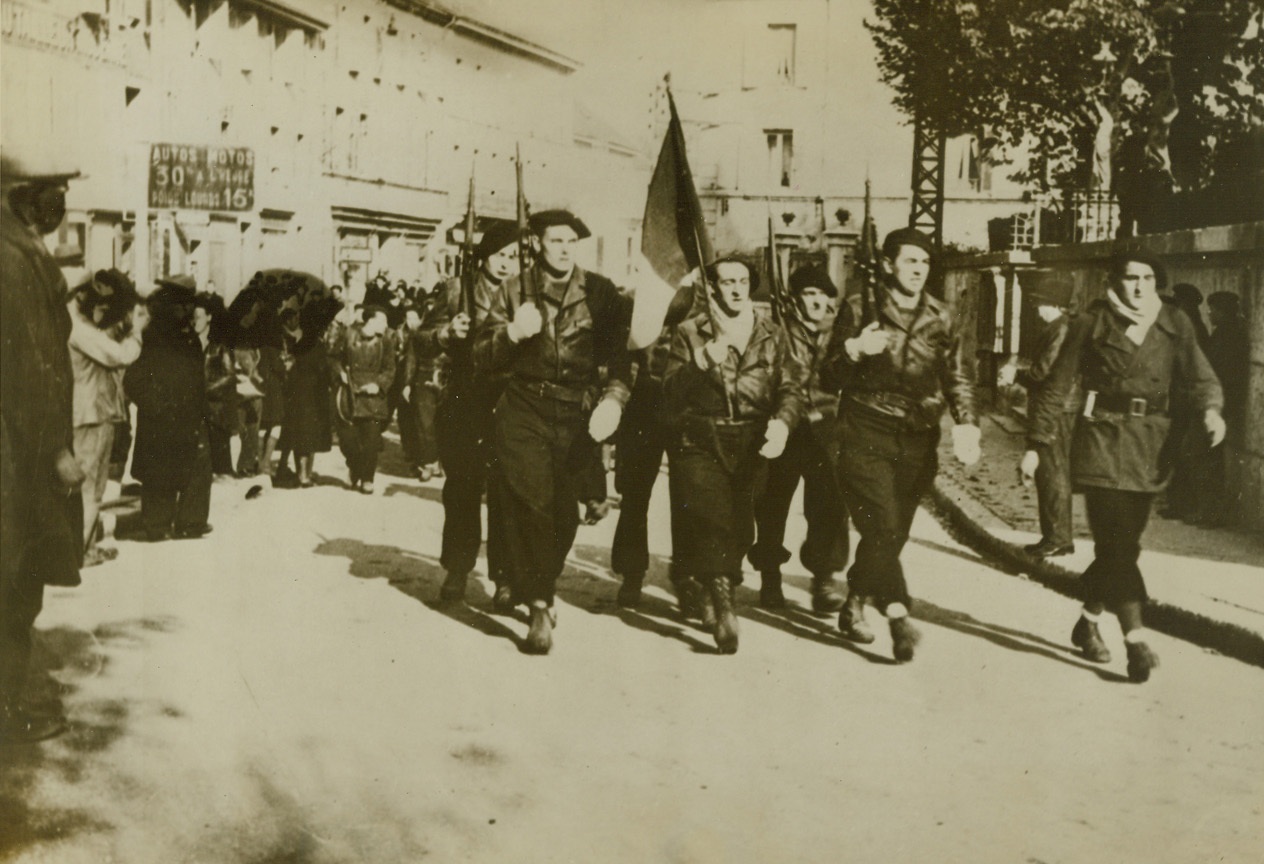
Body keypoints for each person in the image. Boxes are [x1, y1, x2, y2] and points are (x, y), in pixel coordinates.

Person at [1025, 252, 1224, 682]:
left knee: (1122, 546)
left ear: (1158, 281)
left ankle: (1087, 620)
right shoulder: (1092, 323)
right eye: (1130, 278)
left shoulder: (1175, 323)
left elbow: (1200, 376)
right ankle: (1135, 640)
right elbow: (1056, 387)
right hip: (1101, 439)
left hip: (1151, 446)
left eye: (1148, 278)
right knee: (1116, 544)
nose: (1139, 287)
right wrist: (1037, 443)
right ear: (1114, 281)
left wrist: (1211, 410)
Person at [474, 209, 632, 653]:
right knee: (532, 505)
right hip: (524, 407)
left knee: (563, 513)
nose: (564, 249)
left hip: (576, 412)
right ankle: (540, 604)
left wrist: (614, 399)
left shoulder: (599, 293)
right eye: (555, 241)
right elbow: (482, 355)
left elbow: (619, 358)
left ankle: (541, 581)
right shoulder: (513, 289)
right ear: (538, 245)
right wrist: (511, 332)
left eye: (570, 242)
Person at [819, 228, 980, 663]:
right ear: (889, 265)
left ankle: (854, 601)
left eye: (924, 263)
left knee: (893, 533)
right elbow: (828, 375)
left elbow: (957, 375)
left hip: (918, 437)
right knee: (882, 523)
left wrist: (967, 423)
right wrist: (854, 349)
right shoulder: (860, 307)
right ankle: (896, 614)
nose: (918, 270)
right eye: (909, 261)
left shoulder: (942, 317)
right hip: (865, 430)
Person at [661, 255, 807, 653]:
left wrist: (783, 422)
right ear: (712, 288)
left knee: (741, 528)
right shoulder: (690, 332)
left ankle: (713, 585)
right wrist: (701, 361)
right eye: (727, 282)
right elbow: (669, 394)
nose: (737, 289)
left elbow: (792, 387)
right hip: (701, 440)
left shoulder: (772, 333)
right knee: (712, 520)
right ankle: (726, 608)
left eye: (743, 281)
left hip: (752, 442)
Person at [1, 149, 86, 743]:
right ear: (26, 198)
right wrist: (57, 450)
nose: (63, 203)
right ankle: (9, 712)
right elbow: (33, 368)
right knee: (14, 581)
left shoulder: (19, 252)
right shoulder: (14, 260)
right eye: (54, 190)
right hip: (18, 454)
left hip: (15, 443)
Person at [417, 220, 518, 605]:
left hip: (508, 401)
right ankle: (458, 569)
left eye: (513, 257)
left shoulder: (524, 292)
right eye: (500, 256)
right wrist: (446, 334)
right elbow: (422, 339)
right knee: (461, 489)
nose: (507, 264)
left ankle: (505, 578)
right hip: (463, 401)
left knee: (506, 492)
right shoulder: (457, 289)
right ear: (484, 256)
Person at [747, 264, 849, 614]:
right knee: (772, 503)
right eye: (809, 294)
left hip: (825, 426)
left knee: (830, 504)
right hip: (785, 426)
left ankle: (823, 578)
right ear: (794, 300)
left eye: (823, 294)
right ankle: (770, 577)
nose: (817, 300)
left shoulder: (839, 333)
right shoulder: (777, 332)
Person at [125, 275, 214, 541]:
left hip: (188, 413)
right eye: (183, 305)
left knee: (197, 463)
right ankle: (157, 524)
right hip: (162, 414)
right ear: (171, 305)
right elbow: (134, 378)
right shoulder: (154, 334)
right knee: (159, 465)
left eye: (189, 305)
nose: (188, 310)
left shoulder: (188, 335)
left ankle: (191, 521)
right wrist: (156, 405)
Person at [68, 269, 145, 567]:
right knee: (90, 488)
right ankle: (81, 552)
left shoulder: (78, 326)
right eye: (98, 302)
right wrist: (136, 332)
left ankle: (82, 547)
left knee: (88, 487)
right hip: (91, 415)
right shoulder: (80, 329)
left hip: (88, 413)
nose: (102, 308)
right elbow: (118, 356)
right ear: (81, 297)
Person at [1017, 273, 1080, 558]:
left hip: (1054, 409)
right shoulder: (1062, 327)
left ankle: (1056, 538)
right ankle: (1057, 537)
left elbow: (1042, 371)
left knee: (1051, 472)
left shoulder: (1059, 329)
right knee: (1053, 471)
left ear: (1054, 305)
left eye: (1041, 303)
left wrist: (1017, 375)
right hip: (1060, 407)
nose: (1037, 309)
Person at [331, 305, 397, 493]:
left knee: (371, 441)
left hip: (373, 396)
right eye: (382, 321)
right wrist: (340, 372)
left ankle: (367, 478)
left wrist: (378, 384)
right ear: (370, 320)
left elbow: (390, 369)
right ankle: (355, 466)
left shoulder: (386, 340)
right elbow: (334, 357)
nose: (385, 325)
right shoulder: (349, 334)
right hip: (349, 393)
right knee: (348, 440)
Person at [1201, 291, 1249, 525]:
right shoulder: (1223, 333)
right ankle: (1209, 511)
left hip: (1223, 406)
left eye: (1214, 309)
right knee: (1210, 459)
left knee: (1214, 460)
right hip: (1218, 404)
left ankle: (1214, 513)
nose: (1210, 313)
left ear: (1225, 311)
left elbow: (1226, 374)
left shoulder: (1231, 336)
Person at [278, 302, 335, 488]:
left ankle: (304, 474)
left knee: (303, 433)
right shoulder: (314, 343)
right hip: (311, 393)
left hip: (300, 392)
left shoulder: (302, 340)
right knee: (308, 434)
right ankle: (304, 475)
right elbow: (321, 368)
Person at [193, 293, 239, 478]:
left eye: (198, 317)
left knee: (219, 468)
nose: (194, 321)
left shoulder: (218, 347)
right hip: (196, 410)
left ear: (209, 318)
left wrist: (206, 388)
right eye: (192, 318)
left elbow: (229, 376)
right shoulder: (189, 345)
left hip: (216, 412)